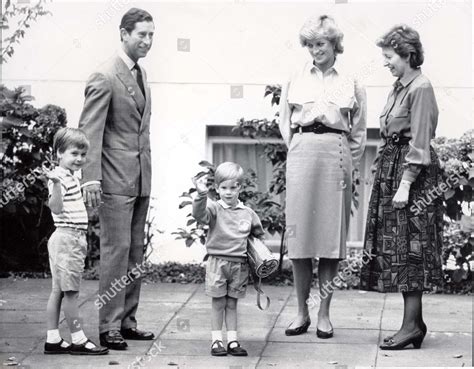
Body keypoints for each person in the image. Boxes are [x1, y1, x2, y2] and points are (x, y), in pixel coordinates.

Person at [278, 15, 366, 338]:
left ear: (334, 45)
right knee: (299, 238)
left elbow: (358, 129)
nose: (315, 50)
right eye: (311, 44)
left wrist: (345, 160)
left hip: (336, 153)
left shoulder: (352, 80)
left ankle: (324, 314)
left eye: (321, 44)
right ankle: (301, 312)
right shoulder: (296, 75)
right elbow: (284, 122)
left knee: (331, 239)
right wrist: (299, 147)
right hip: (302, 151)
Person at [360, 24, 443, 350]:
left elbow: (420, 142)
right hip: (394, 167)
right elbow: (389, 133)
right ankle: (415, 323)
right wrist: (379, 170)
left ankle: (410, 327)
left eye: (389, 56)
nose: (386, 62)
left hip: (414, 174)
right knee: (399, 250)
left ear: (407, 54)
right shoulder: (400, 86)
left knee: (411, 251)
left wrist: (406, 184)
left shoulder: (420, 87)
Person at [78, 8, 155, 350]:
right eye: (141, 34)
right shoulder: (105, 75)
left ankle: (127, 320)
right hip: (111, 180)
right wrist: (90, 178)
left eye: (151, 35)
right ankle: (108, 325)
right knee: (115, 252)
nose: (147, 41)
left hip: (139, 179)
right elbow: (89, 131)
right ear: (123, 34)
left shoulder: (140, 73)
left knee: (135, 252)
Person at [45, 127, 108, 355]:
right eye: (74, 154)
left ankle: (53, 339)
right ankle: (78, 340)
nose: (80, 159)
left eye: (83, 154)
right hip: (67, 238)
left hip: (69, 237)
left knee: (59, 291)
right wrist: (57, 186)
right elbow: (56, 207)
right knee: (71, 292)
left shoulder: (70, 175)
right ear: (59, 153)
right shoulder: (58, 177)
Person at [192, 162, 265, 357]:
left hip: (239, 265)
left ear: (240, 187)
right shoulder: (215, 209)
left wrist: (261, 256)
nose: (229, 192)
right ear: (216, 188)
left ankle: (232, 340)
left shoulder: (247, 213)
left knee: (232, 303)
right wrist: (200, 195)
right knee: (218, 303)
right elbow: (199, 216)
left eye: (233, 187)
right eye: (223, 188)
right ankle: (217, 340)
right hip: (218, 263)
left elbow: (258, 235)